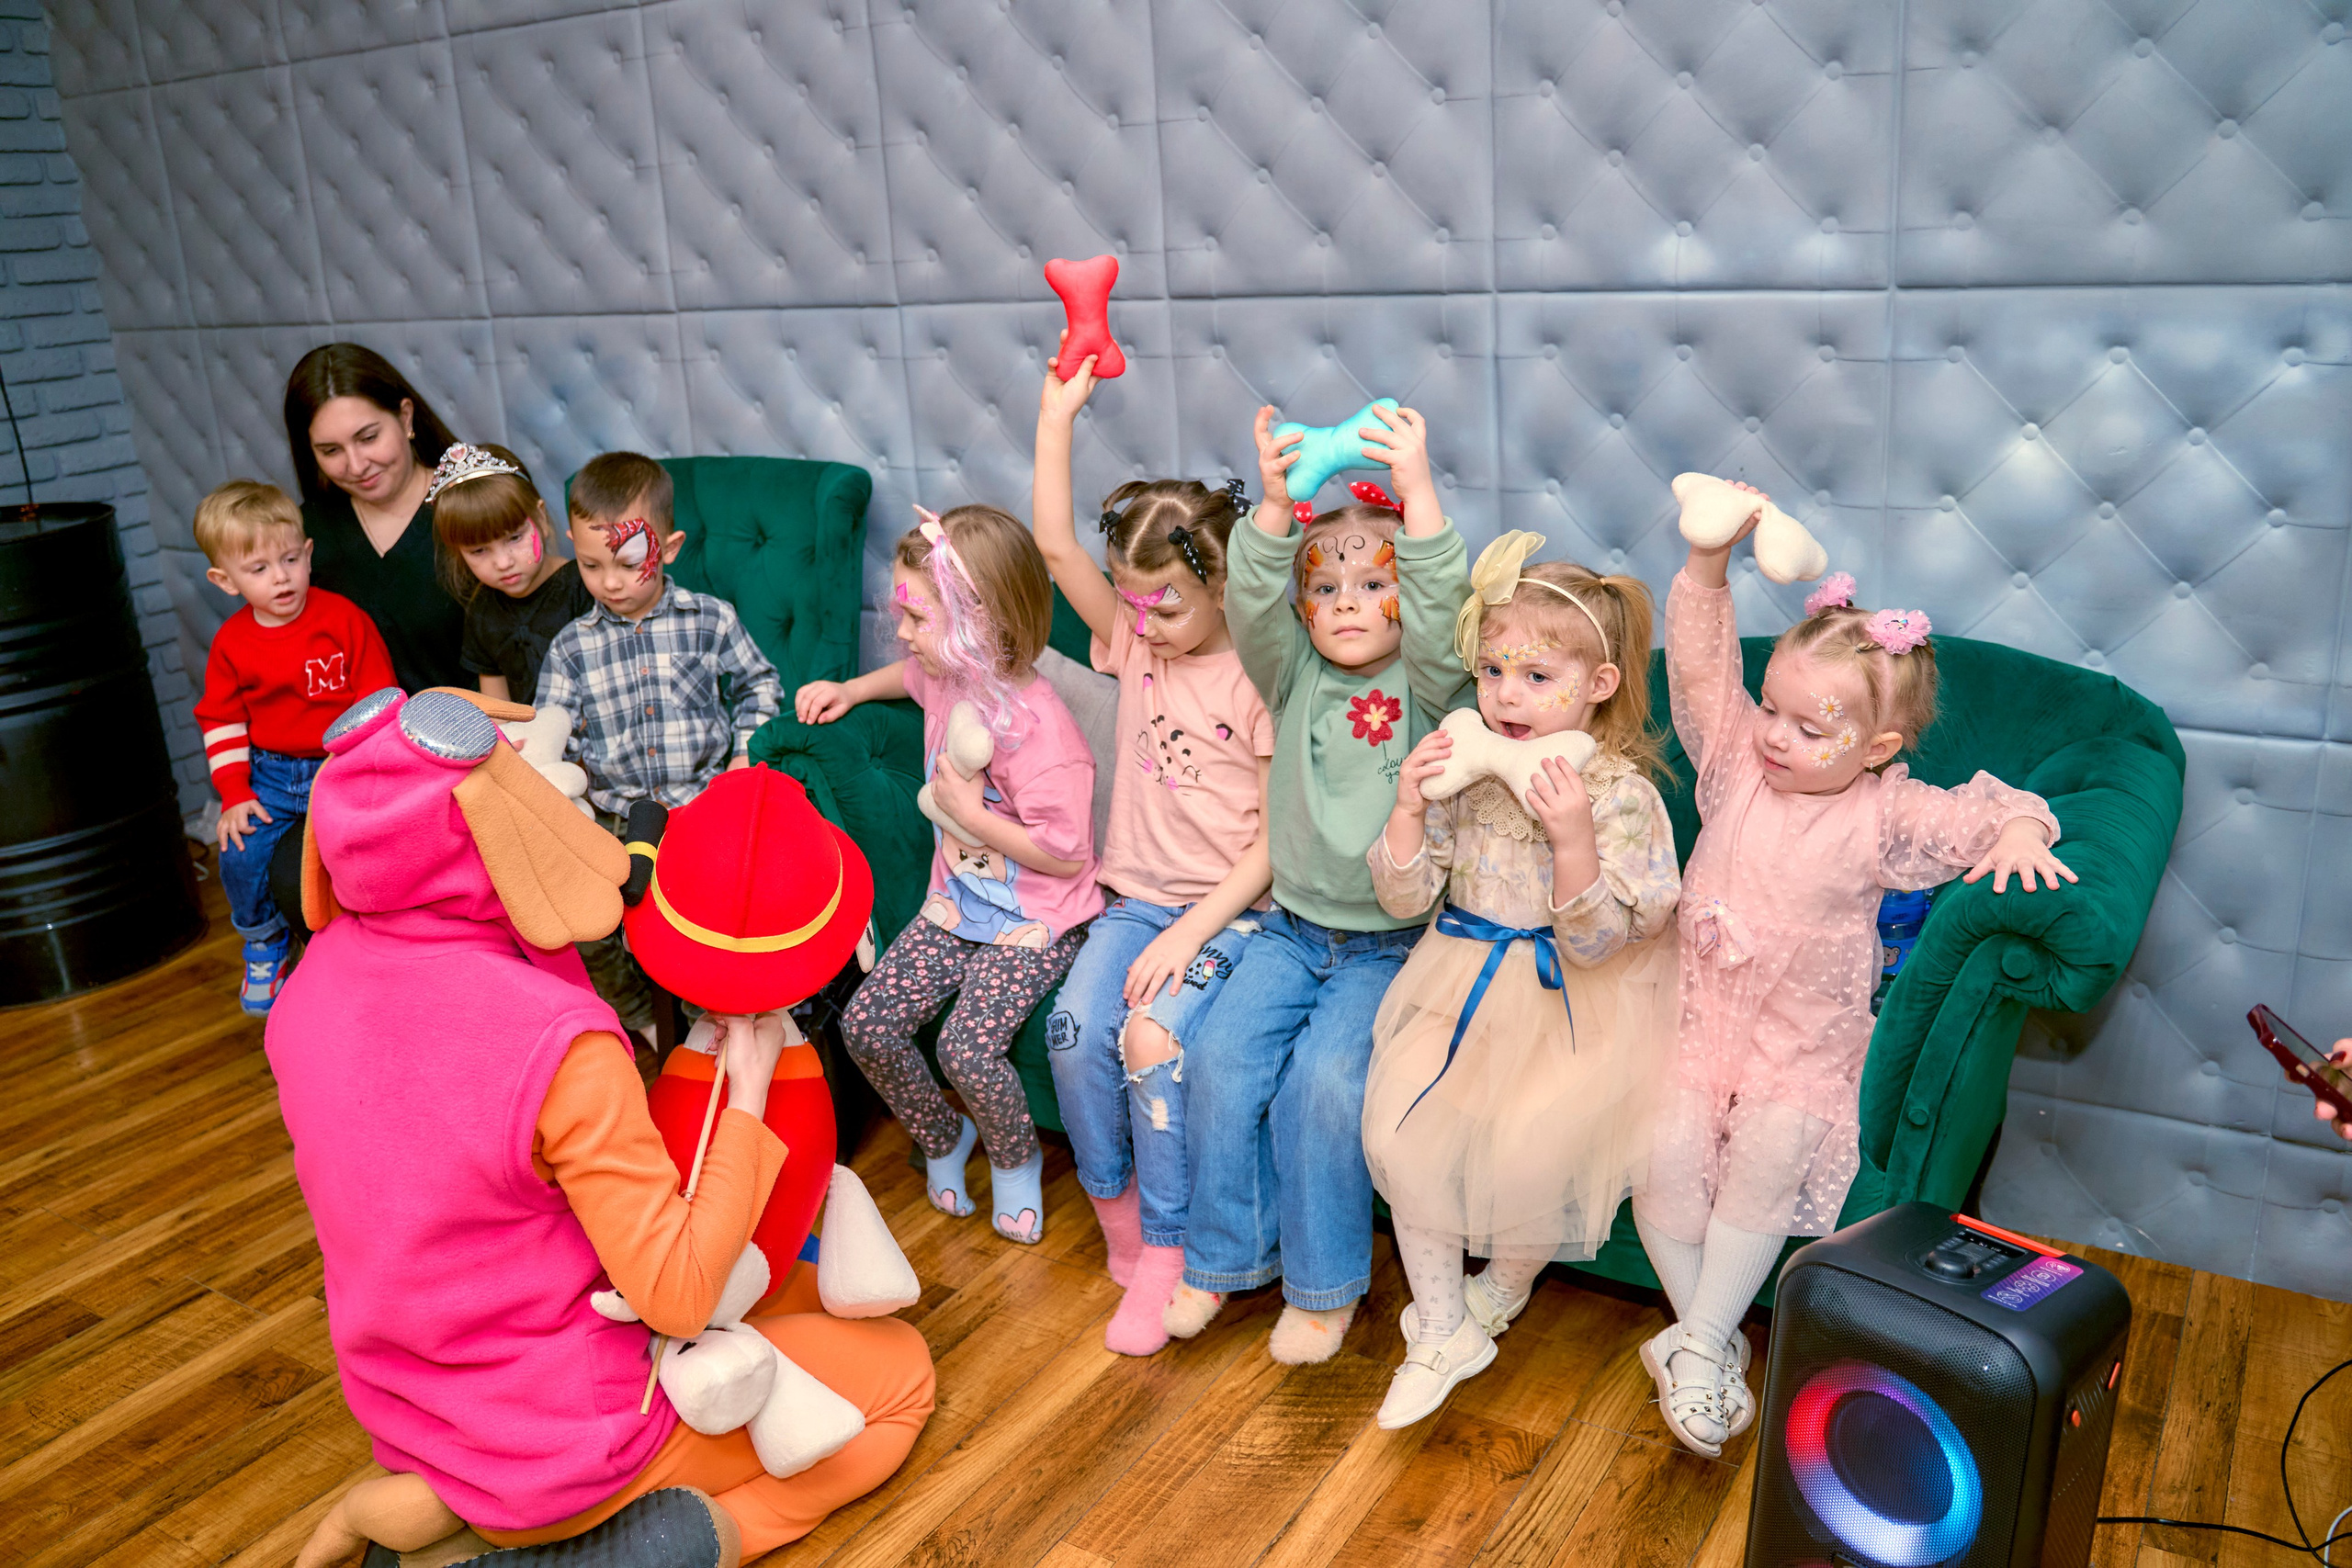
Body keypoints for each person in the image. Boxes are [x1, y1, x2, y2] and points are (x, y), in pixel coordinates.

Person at [272, 686, 933, 1568]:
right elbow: (680, 1293)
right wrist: (746, 1097)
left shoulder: (304, 991)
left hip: (409, 1411)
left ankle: (442, 1512)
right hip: (567, 1443)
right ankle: (661, 1543)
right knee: (900, 1376)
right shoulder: (555, 1040)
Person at [1635, 504, 2076, 1458]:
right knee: (1660, 1157)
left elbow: (1990, 810)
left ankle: (1698, 1344)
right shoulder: (1729, 765)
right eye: (1771, 709)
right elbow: (1701, 665)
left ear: (1876, 749)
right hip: (1697, 1023)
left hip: (1800, 1045)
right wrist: (1705, 564)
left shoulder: (1887, 815)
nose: (1775, 736)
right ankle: (1700, 1349)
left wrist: (2012, 833)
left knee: (1767, 1156)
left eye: (1809, 727)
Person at [1170, 404, 1470, 1365]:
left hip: (1392, 946)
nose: (1346, 602)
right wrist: (1268, 502)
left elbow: (1441, 601)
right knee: (1216, 1060)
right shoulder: (1287, 670)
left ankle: (1323, 1288)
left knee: (1322, 1089)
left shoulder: (1433, 684)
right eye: (1327, 587)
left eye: (1371, 585)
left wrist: (1416, 490)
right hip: (1293, 928)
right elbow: (1252, 596)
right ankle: (1223, 1262)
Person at [1363, 535, 1681, 1427]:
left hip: (1570, 1001)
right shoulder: (1466, 771)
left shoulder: (1619, 794)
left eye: (1537, 676)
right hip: (1456, 971)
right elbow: (1406, 893)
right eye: (1494, 669)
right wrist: (1407, 805)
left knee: (1538, 1155)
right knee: (1402, 1129)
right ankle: (1437, 1324)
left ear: (1598, 686)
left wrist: (1572, 839)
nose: (1505, 694)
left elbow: (1600, 944)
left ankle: (1495, 1296)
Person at [1028, 338, 1275, 1355]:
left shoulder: (1260, 672)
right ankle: (1121, 1225)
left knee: (1152, 1043)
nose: (1144, 621)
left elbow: (1277, 842)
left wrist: (1195, 930)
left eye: (1166, 601)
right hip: (1132, 904)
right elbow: (1051, 550)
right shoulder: (1131, 641)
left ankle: (1172, 1251)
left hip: (1237, 915)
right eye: (1131, 600)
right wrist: (1057, 417)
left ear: (1223, 582)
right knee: (1073, 1033)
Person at [797, 505, 1102, 1247]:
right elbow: (909, 672)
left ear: (981, 624)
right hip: (957, 904)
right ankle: (942, 1137)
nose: (902, 629)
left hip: (1040, 915)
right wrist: (854, 689)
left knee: (965, 1046)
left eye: (916, 615)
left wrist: (972, 811)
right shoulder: (946, 672)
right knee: (868, 1023)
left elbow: (1066, 854)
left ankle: (1016, 1158)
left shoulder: (1042, 733)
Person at [534, 452, 783, 1040]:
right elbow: (552, 733)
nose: (610, 583)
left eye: (627, 563)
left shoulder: (710, 620)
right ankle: (640, 1018)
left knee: (704, 925)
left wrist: (744, 756)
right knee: (585, 924)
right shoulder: (571, 646)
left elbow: (760, 685)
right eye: (592, 566)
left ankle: (711, 1022)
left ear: (667, 549)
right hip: (613, 820)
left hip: (698, 811)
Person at [191, 479, 394, 1014]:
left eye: (288, 560)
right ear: (225, 580)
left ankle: (382, 954)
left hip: (343, 763)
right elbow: (222, 720)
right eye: (258, 570)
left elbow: (379, 701)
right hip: (271, 777)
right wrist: (234, 793)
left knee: (367, 850)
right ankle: (263, 942)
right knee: (240, 851)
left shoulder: (344, 621)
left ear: (307, 554)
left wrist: (371, 770)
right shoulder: (233, 644)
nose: (280, 578)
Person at [282, 342, 467, 693]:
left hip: (493, 735)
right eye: (331, 450)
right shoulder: (306, 536)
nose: (356, 466)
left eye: (368, 438)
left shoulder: (474, 504)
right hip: (372, 745)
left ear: (406, 417)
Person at [428, 441, 595, 705]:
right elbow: (499, 707)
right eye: (479, 551)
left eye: (515, 538)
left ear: (540, 518)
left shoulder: (585, 586)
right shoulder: (482, 609)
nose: (503, 562)